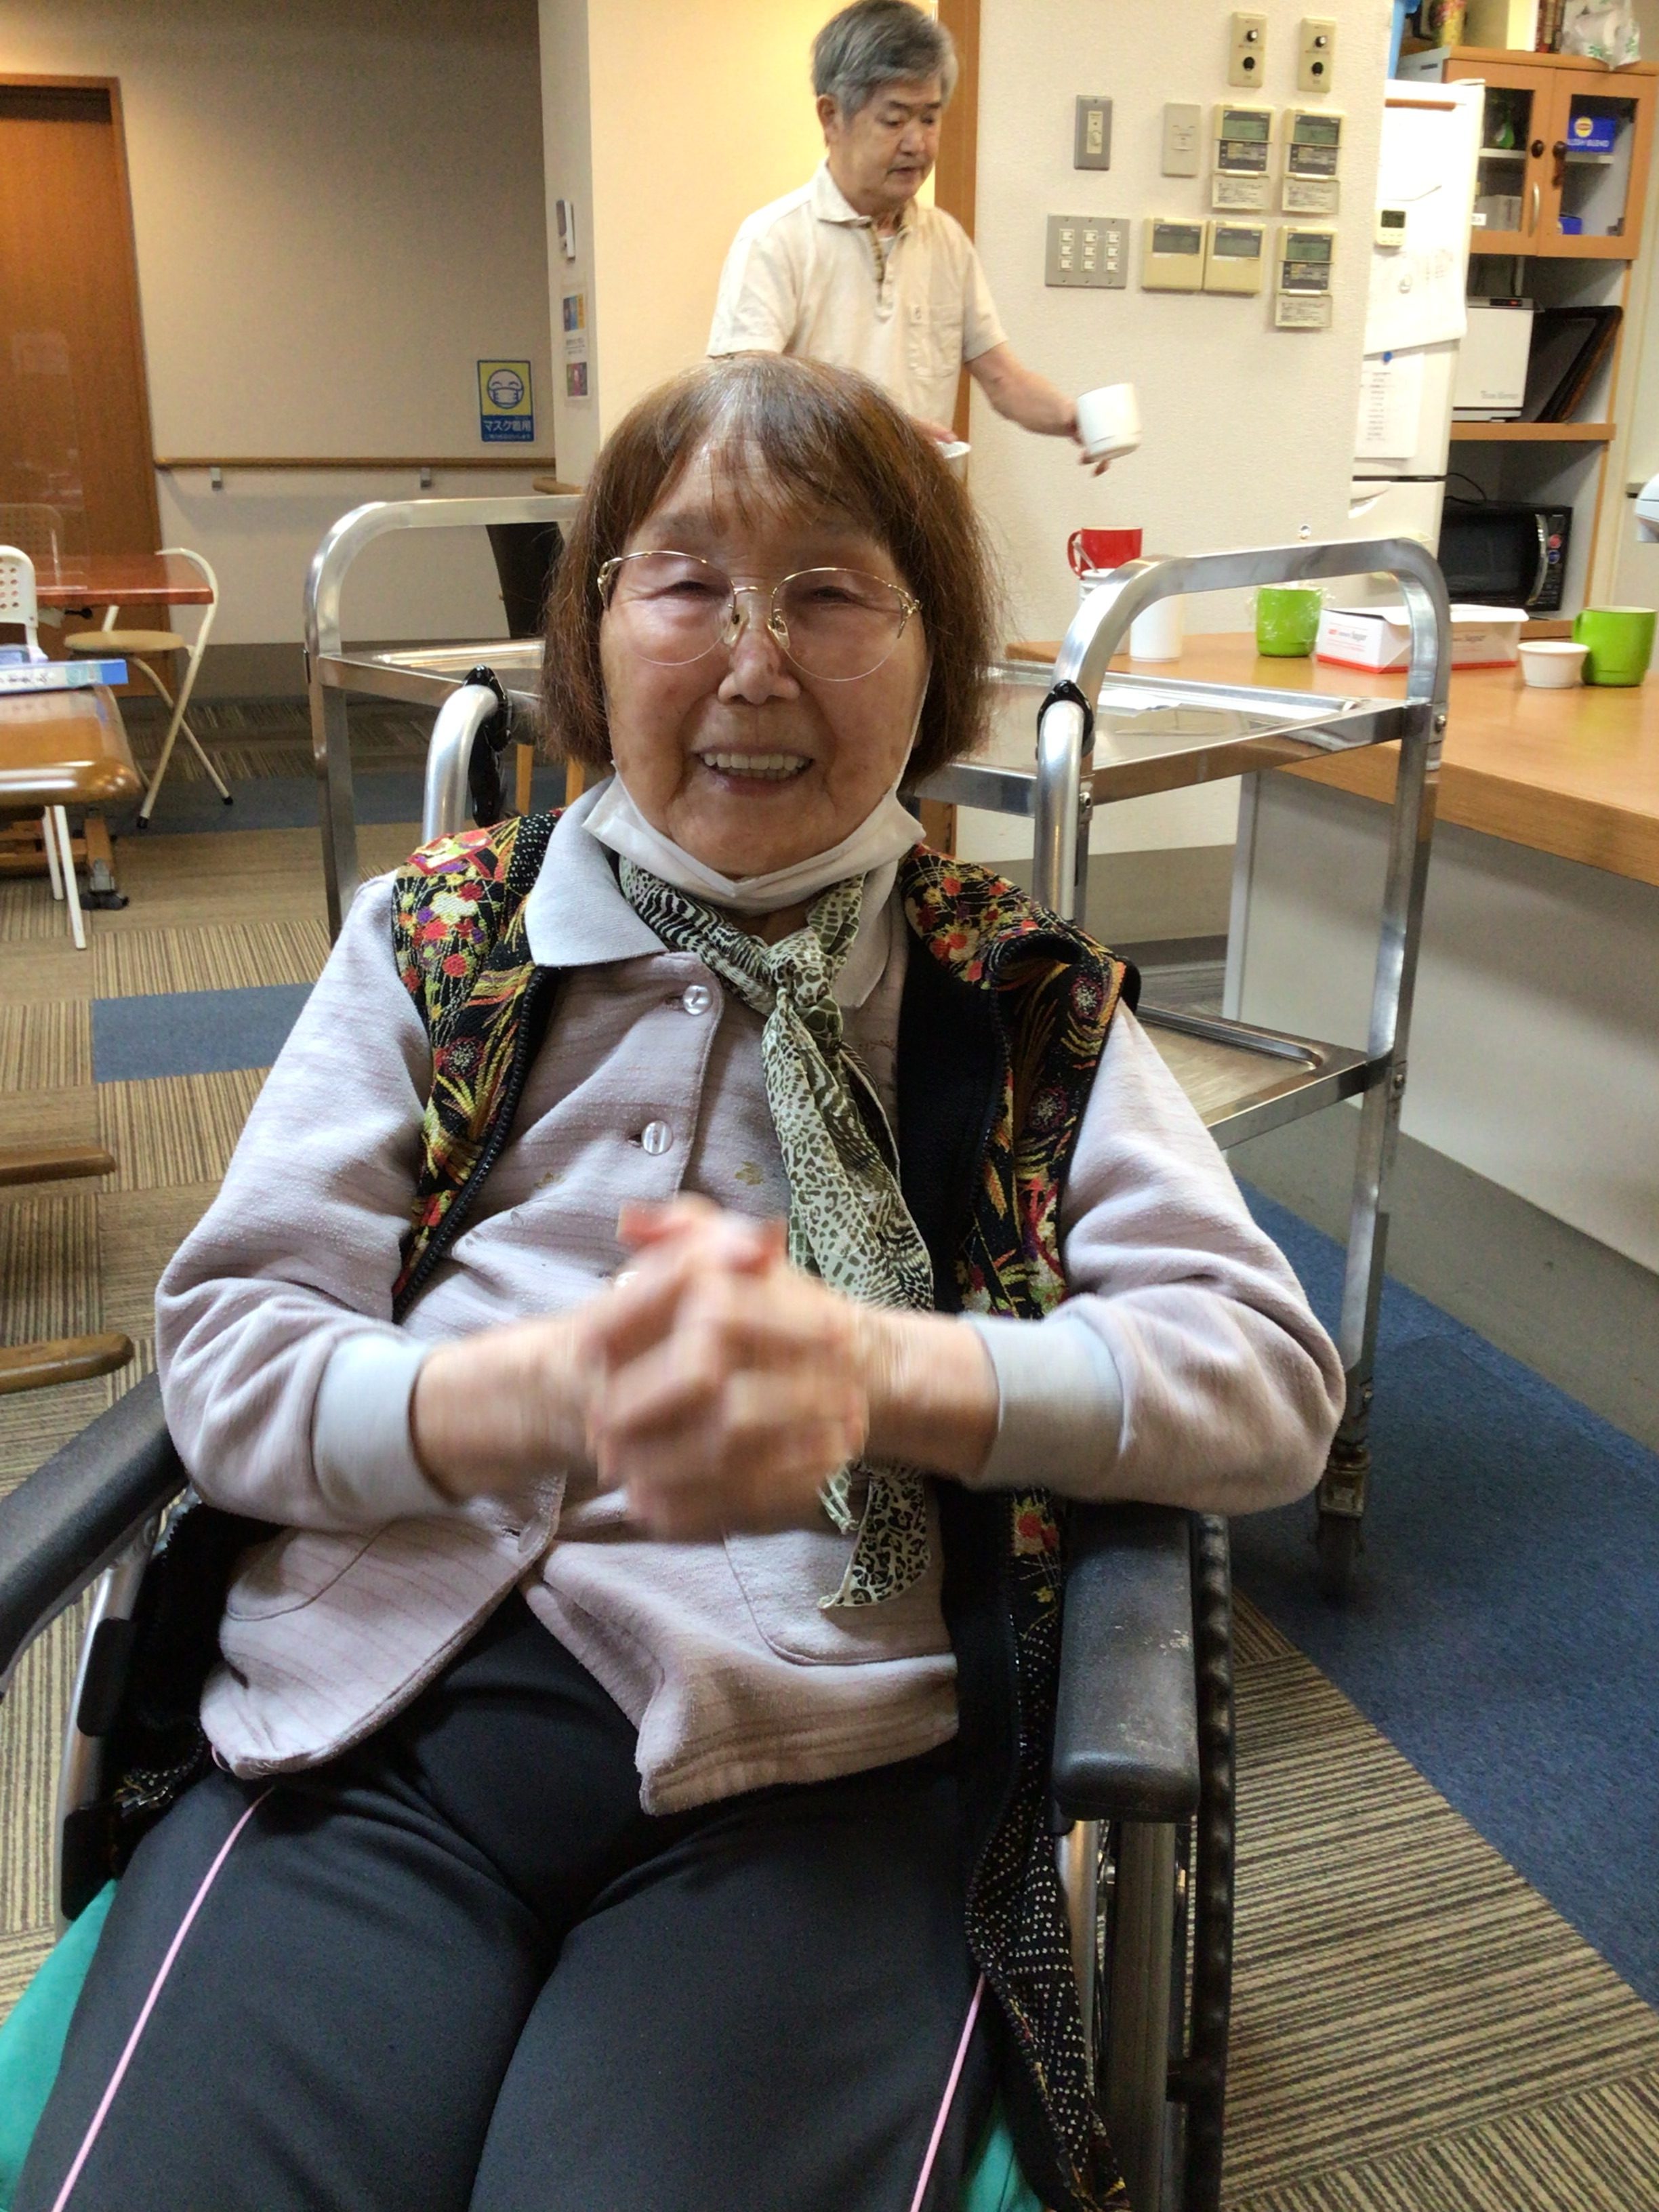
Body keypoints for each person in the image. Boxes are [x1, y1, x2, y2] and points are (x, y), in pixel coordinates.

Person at [18, 356, 1343, 2212]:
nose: (753, 660)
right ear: (592, 629)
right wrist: (510, 1399)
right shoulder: (440, 943)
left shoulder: (1019, 1005)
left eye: (830, 592)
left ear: (935, 650)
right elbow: (230, 1357)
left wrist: (894, 1377)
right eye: (688, 584)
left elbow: (1268, 1381)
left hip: (825, 1771)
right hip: (372, 1720)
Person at [710, 0, 1105, 466]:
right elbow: (745, 403)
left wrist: (1073, 419)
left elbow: (1004, 380)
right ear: (831, 117)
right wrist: (880, 434)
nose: (917, 143)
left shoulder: (946, 241)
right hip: (813, 505)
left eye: (930, 119)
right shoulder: (773, 239)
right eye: (894, 120)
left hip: (919, 501)